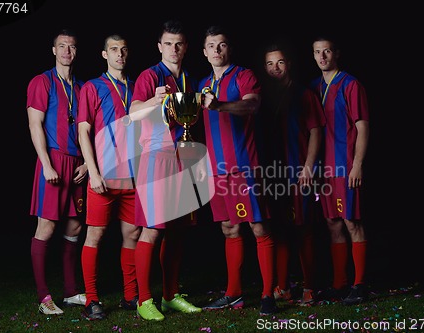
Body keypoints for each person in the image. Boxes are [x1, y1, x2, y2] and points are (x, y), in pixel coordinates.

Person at [198, 25, 277, 315]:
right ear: (204, 52)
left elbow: (251, 106)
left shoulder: (244, 76)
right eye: (211, 46)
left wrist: (218, 105)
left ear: (229, 49)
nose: (217, 50)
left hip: (244, 166)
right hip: (217, 170)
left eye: (222, 45)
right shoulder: (202, 84)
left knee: (257, 226)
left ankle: (268, 295)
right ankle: (234, 294)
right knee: (229, 228)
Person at [128, 19, 202, 321]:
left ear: (185, 47)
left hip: (183, 159)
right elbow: (133, 113)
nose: (174, 48)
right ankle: (144, 299)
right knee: (152, 230)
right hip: (156, 159)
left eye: (179, 43)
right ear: (160, 47)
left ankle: (170, 295)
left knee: (177, 232)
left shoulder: (188, 79)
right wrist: (151, 101)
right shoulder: (150, 75)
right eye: (168, 43)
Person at [77, 34, 140, 320]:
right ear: (104, 54)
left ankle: (130, 296)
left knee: (132, 234)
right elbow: (83, 131)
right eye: (114, 49)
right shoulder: (93, 87)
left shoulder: (137, 87)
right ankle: (92, 299)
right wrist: (92, 171)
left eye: (124, 49)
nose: (120, 54)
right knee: (96, 235)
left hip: (132, 176)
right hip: (104, 176)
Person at [259, 43, 325, 306]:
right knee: (278, 230)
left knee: (303, 230)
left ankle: (309, 288)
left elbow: (316, 131)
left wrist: (309, 166)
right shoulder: (261, 97)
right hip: (271, 174)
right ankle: (283, 287)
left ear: (289, 64)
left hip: (298, 171)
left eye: (280, 62)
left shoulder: (303, 94)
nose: (275, 68)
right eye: (270, 64)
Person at [27, 28, 87, 315]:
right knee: (47, 226)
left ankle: (71, 291)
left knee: (75, 226)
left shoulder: (81, 87)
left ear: (76, 51)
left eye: (71, 47)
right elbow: (34, 125)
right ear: (54, 50)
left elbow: (90, 130)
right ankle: (43, 297)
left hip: (78, 164)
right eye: (62, 46)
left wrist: (88, 164)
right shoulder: (42, 82)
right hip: (53, 161)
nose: (67, 51)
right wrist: (47, 164)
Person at [309, 35, 370, 305]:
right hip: (323, 169)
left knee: (351, 222)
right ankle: (339, 283)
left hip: (345, 166)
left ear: (337, 54)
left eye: (327, 51)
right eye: (317, 52)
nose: (323, 56)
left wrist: (357, 164)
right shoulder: (313, 87)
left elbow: (362, 126)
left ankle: (359, 284)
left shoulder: (350, 84)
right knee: (332, 223)